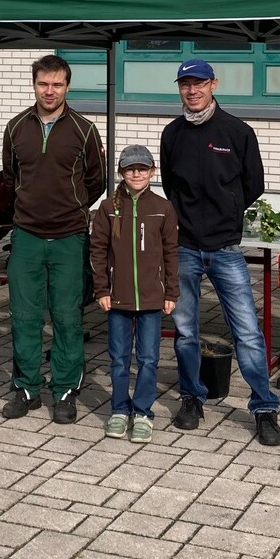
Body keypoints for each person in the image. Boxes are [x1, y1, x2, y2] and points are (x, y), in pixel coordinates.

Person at [161, 59, 280, 446]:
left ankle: (264, 407)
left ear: (214, 84)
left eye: (199, 83)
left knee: (247, 333)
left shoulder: (237, 131)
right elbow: (170, 184)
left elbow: (253, 183)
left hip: (225, 248)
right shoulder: (172, 134)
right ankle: (192, 398)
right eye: (185, 84)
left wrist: (226, 213)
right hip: (184, 247)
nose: (192, 90)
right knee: (185, 332)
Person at [0, 54, 106, 423]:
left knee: (67, 318)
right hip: (26, 236)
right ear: (34, 85)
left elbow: (96, 180)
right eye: (43, 84)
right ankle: (27, 388)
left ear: (67, 86)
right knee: (24, 316)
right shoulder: (15, 128)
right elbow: (11, 178)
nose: (50, 91)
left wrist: (71, 206)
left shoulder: (84, 130)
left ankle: (64, 391)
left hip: (69, 237)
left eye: (57, 84)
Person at [90, 144, 179, 444]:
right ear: (121, 173)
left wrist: (171, 291)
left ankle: (142, 413)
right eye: (130, 169)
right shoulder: (108, 208)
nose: (137, 174)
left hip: (153, 299)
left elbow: (171, 253)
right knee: (118, 359)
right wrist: (102, 289)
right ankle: (119, 410)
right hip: (117, 298)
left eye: (142, 168)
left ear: (152, 172)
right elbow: (98, 251)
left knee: (149, 359)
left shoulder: (163, 208)